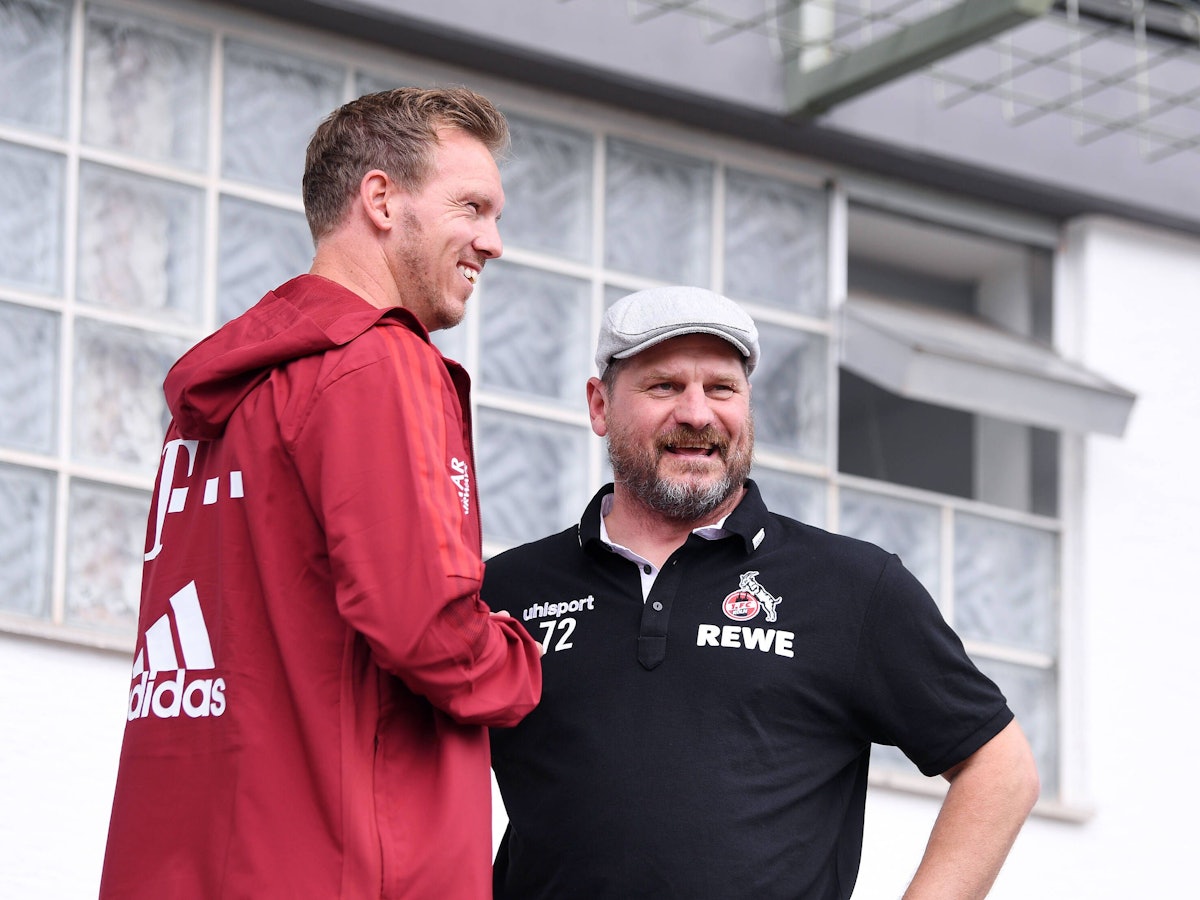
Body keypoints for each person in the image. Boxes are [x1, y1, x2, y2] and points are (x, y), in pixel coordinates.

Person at [100, 86, 542, 899]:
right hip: (343, 864)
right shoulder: (378, 364)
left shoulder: (219, 401)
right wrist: (525, 663)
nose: (493, 241)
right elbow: (426, 628)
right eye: (473, 207)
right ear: (381, 198)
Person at [486, 286, 1040, 899]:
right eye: (664, 386)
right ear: (599, 406)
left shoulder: (853, 587)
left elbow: (1000, 767)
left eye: (721, 388)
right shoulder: (507, 590)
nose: (697, 414)